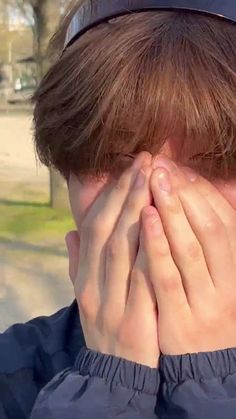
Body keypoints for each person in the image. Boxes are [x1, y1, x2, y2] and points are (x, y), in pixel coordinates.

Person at [1, 0, 236, 418]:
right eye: (112, 160)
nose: (155, 207)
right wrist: (106, 389)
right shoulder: (12, 375)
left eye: (215, 161)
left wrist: (215, 383)